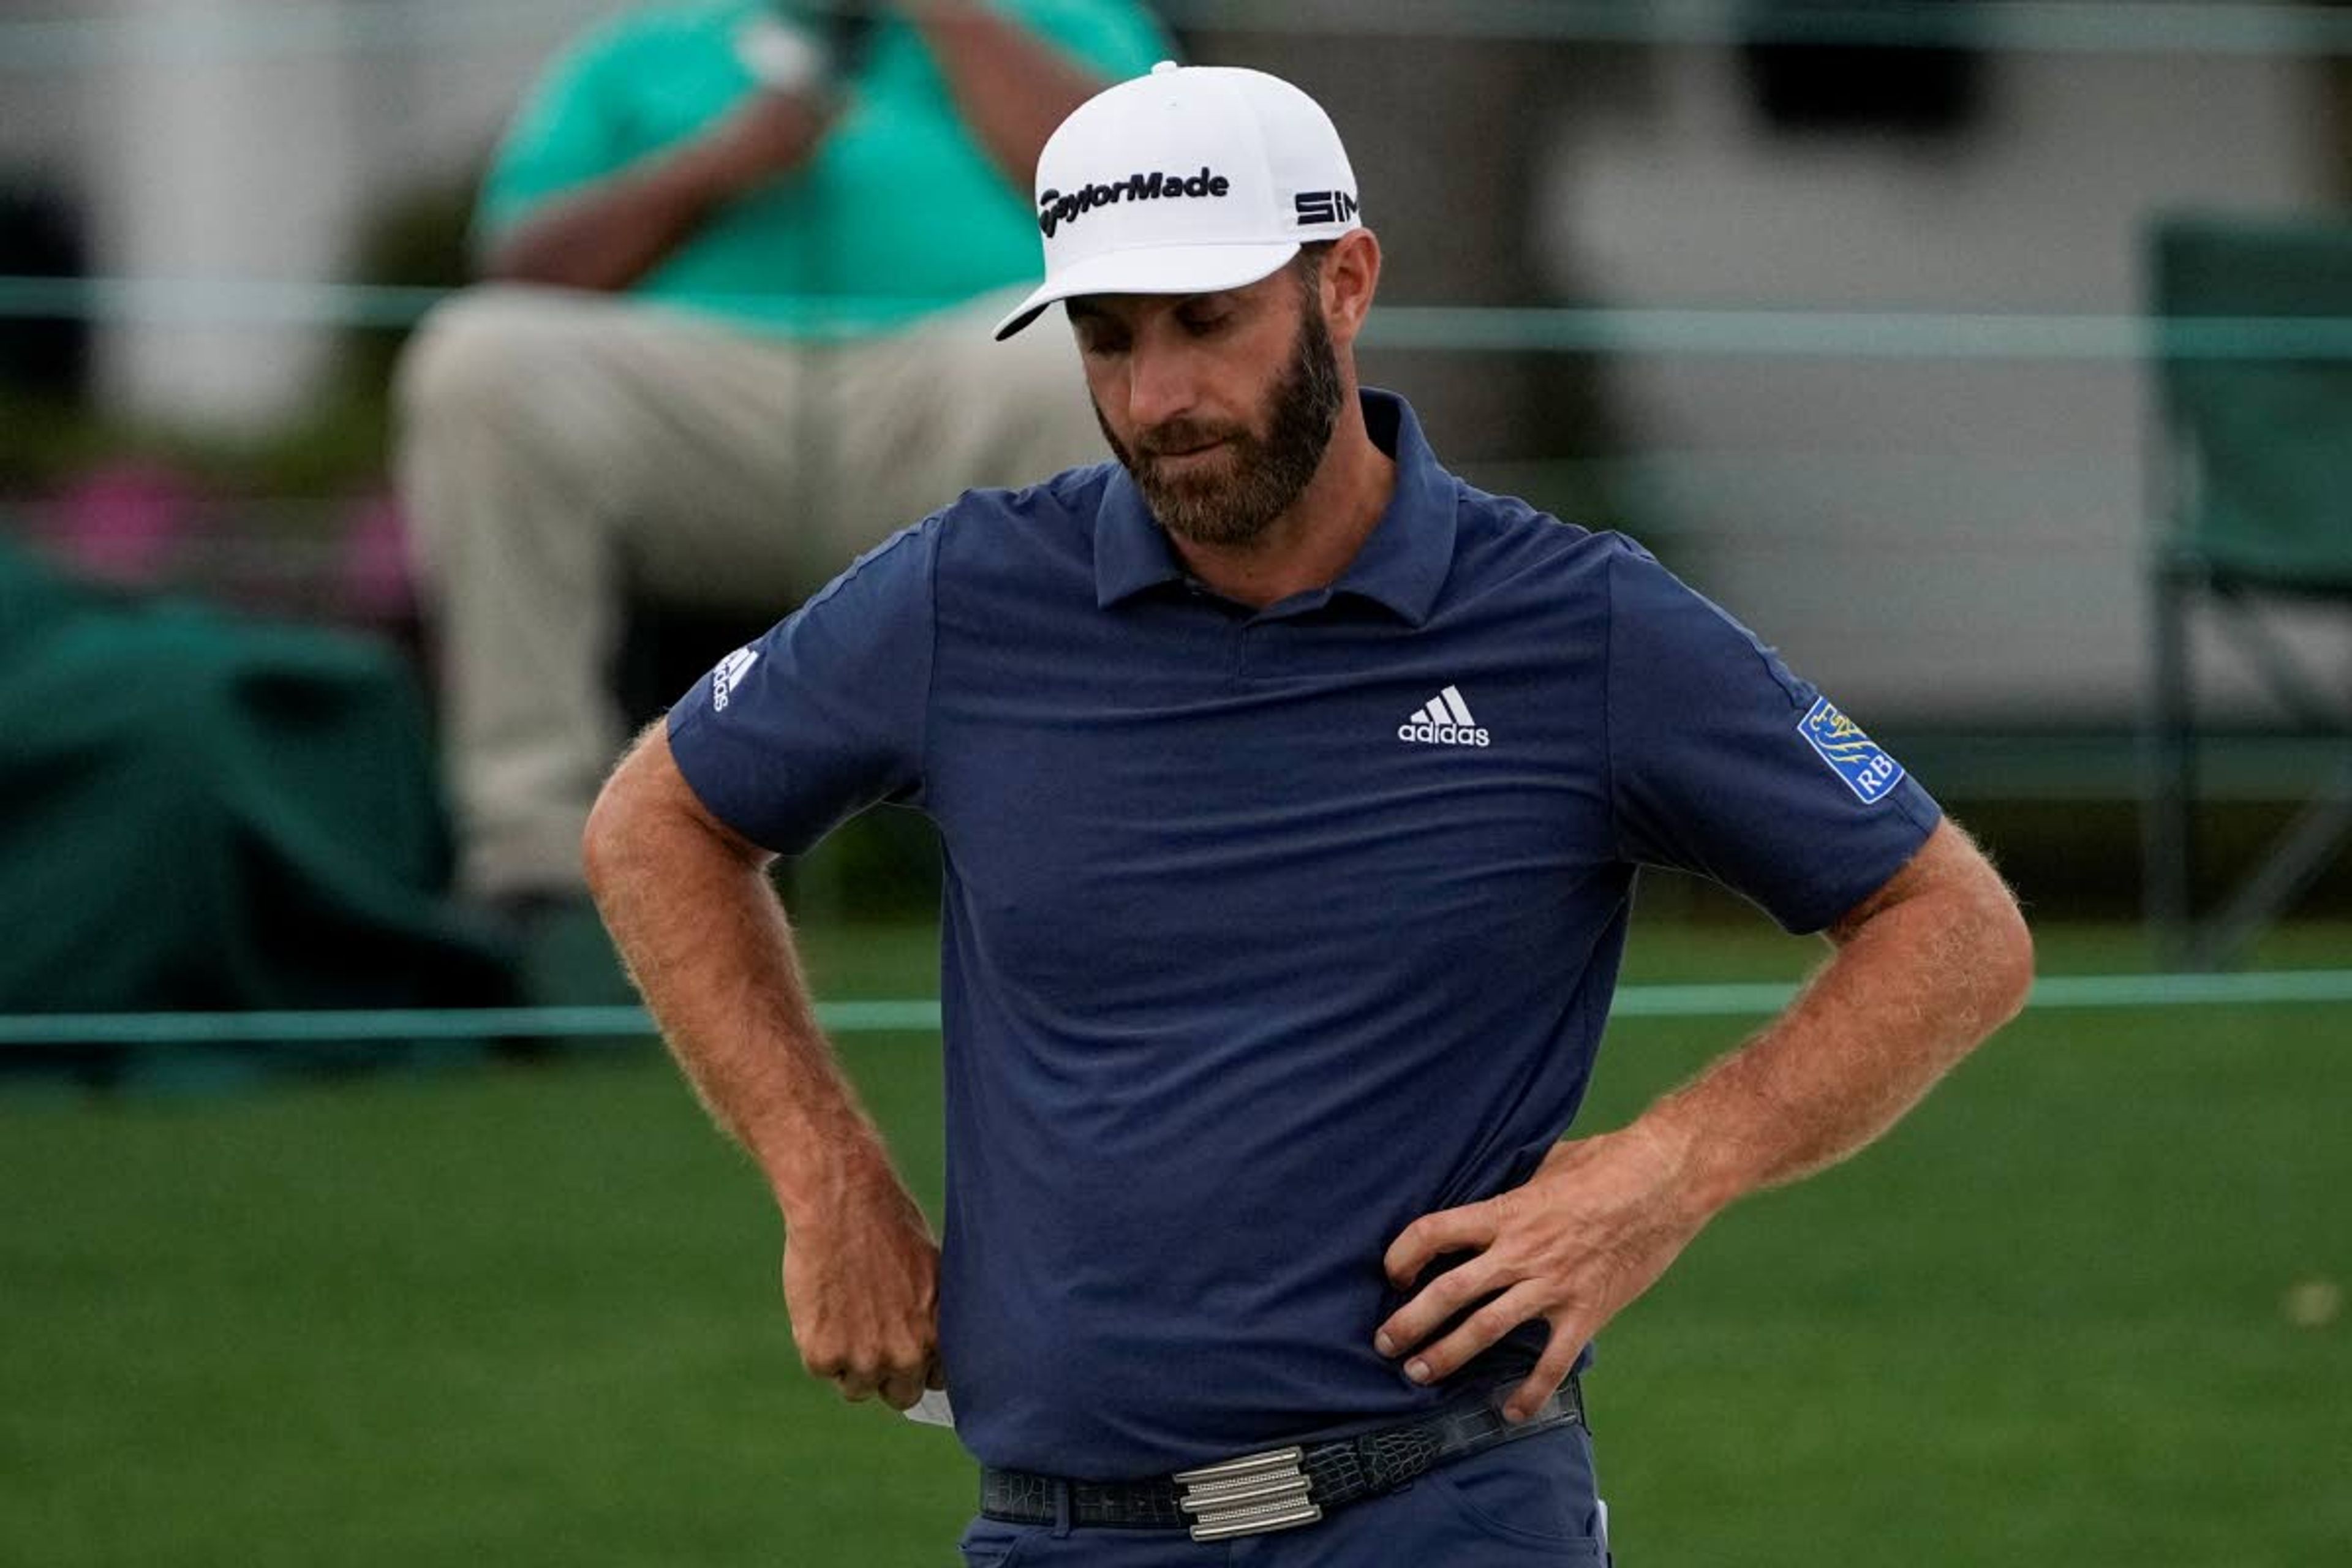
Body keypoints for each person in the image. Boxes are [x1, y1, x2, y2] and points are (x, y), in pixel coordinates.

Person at [584, 61, 2035, 1566]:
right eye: (1108, 338)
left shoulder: (1578, 625)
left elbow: (1956, 925)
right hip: (1058, 1532)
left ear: (1344, 283)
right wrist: (827, 1179)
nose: (1156, 400)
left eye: (1208, 323)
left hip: (1444, 1509)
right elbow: (659, 819)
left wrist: (1669, 1167)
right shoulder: (968, 594)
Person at [393, 0, 1172, 968]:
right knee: (480, 359)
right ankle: (534, 877)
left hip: (969, 377)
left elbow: (1150, 214)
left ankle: (1105, 842)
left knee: (1096, 350)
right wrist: (715, 168)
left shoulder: (1072, 21)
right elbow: (519, 269)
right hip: (704, 407)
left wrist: (949, 16)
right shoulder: (642, 47)